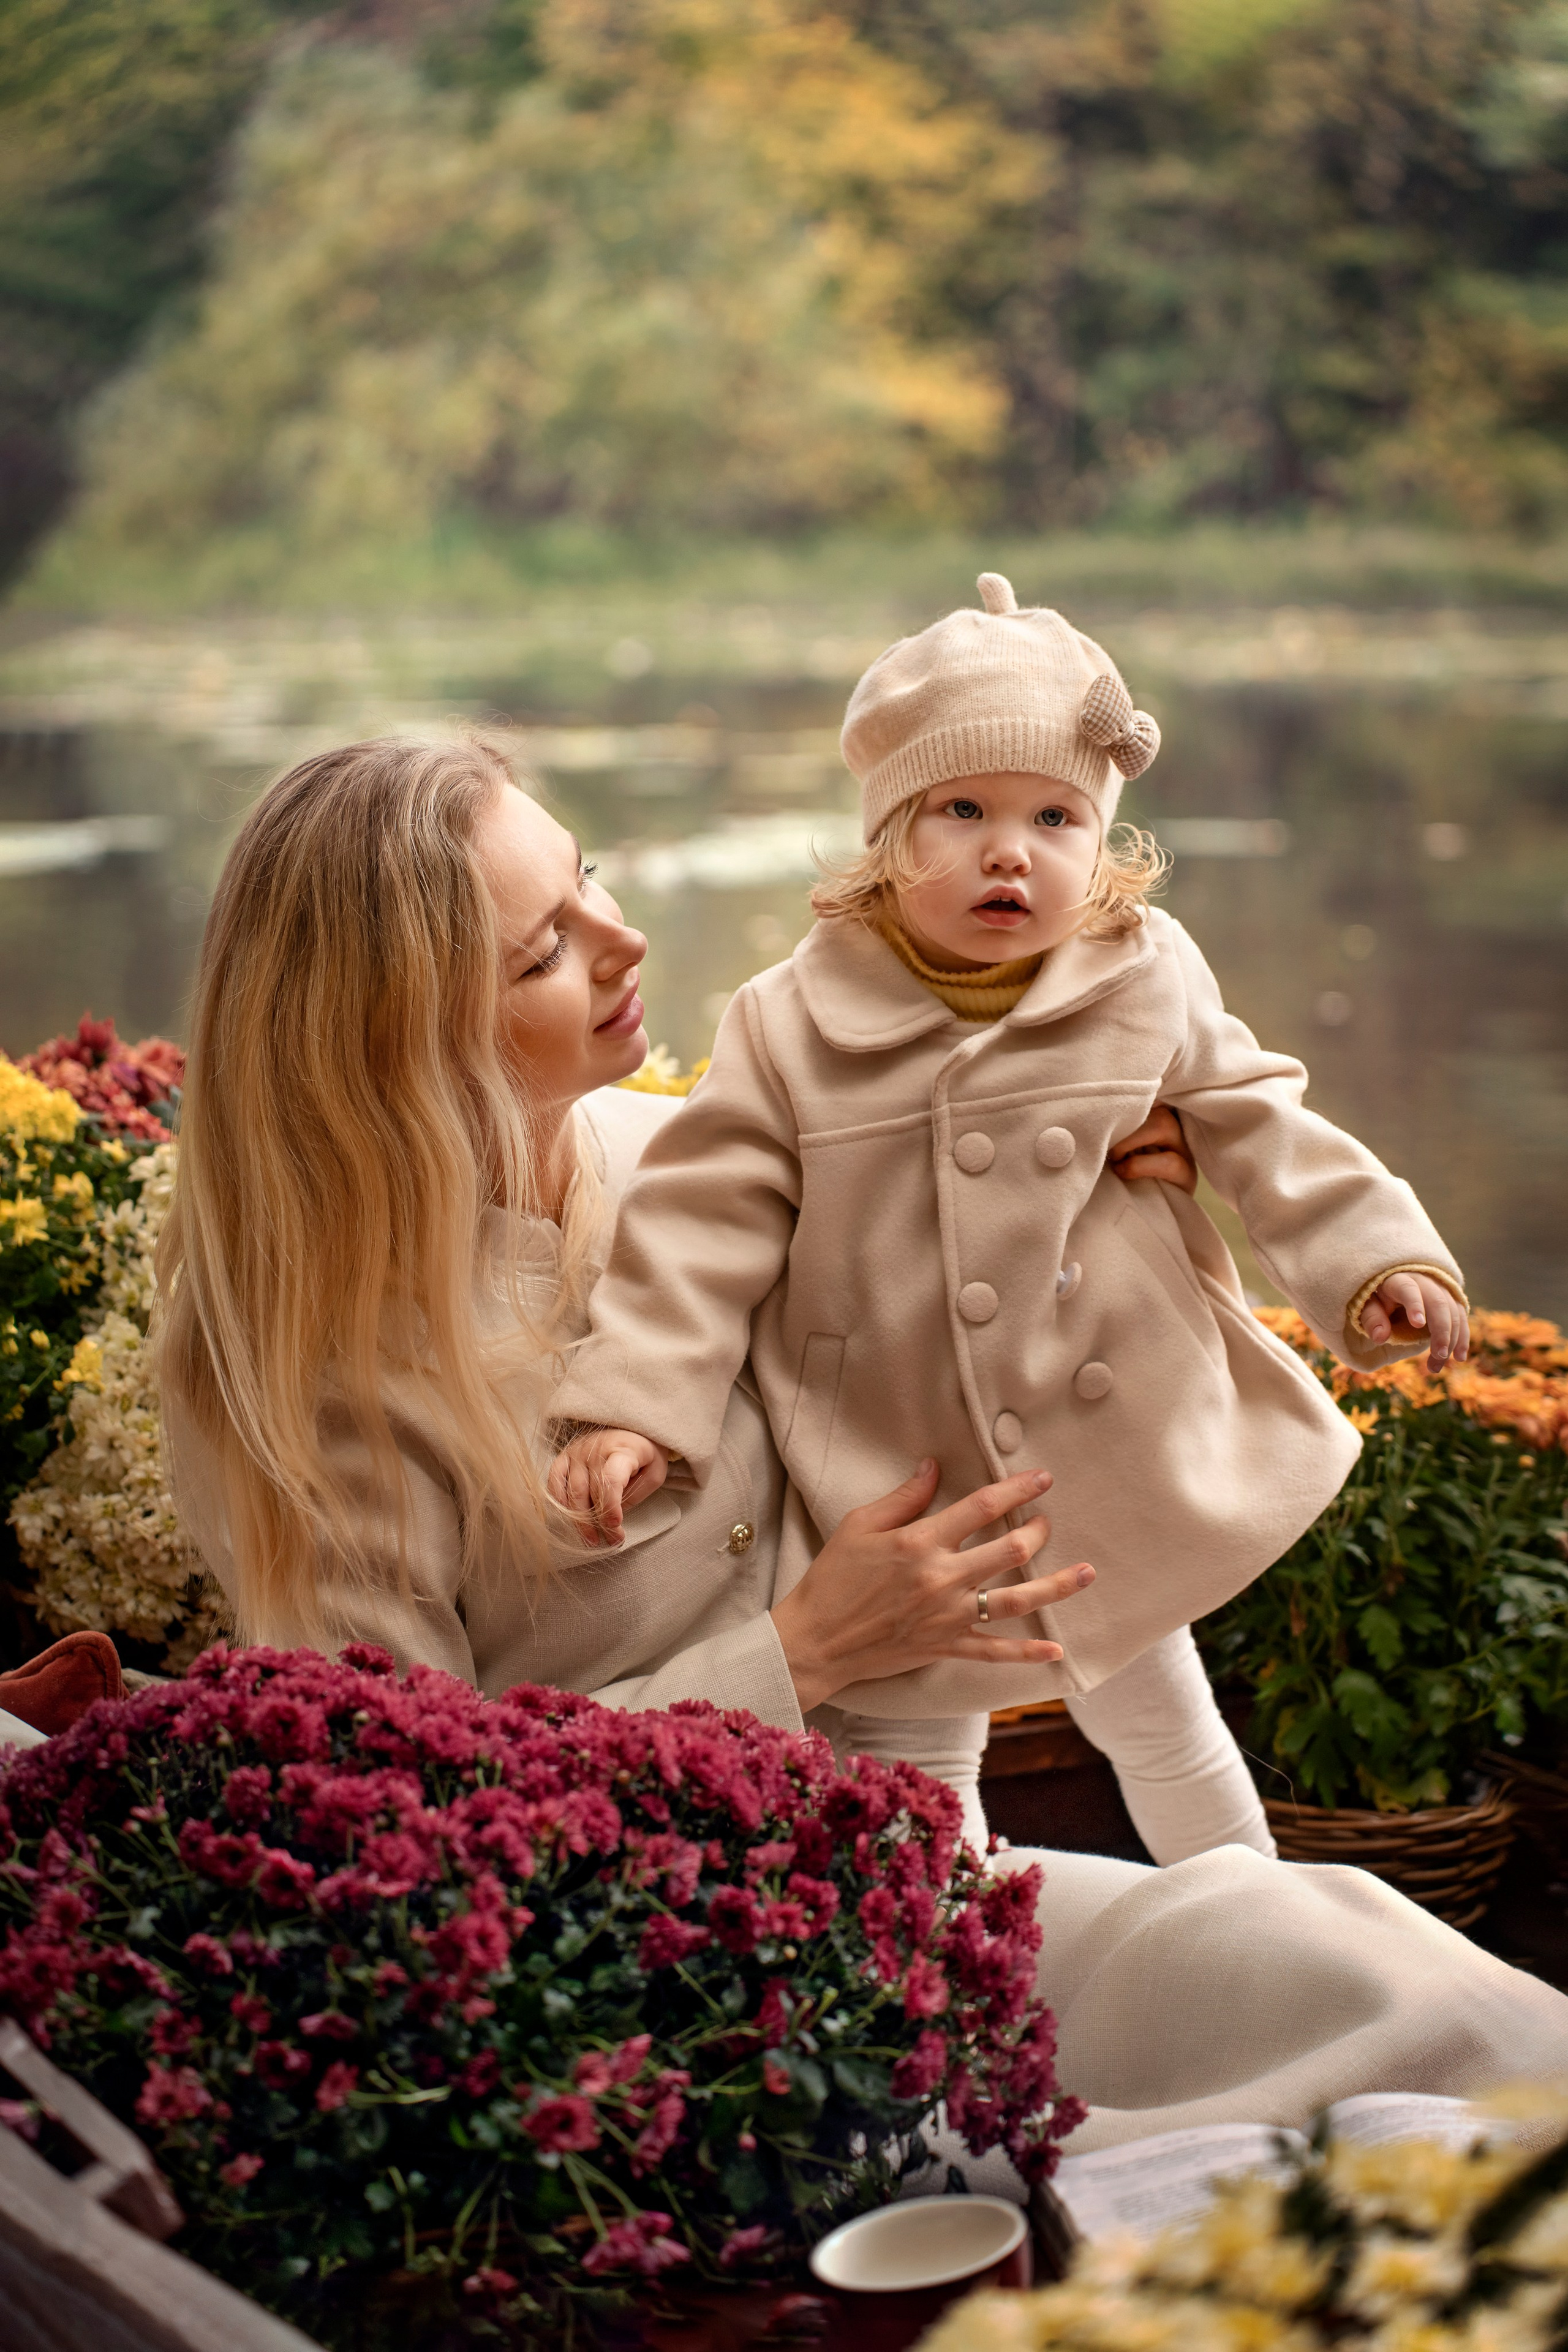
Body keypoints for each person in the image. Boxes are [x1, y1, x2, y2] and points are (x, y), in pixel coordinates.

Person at [160, 734, 1568, 2157]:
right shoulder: (314, 1386)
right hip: (686, 2009)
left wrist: (1120, 1153)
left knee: (1354, 1952)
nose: (621, 936)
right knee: (1349, 2018)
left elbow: (959, 1225)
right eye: (541, 954)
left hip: (921, 1879)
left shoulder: (675, 1157)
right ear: (395, 1039)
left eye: (585, 875)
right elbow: (416, 1837)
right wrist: (802, 1653)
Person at [549, 571, 1468, 1860]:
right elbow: (703, 1226)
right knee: (916, 1757)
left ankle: (1256, 1933)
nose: (1008, 849)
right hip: (898, 1453)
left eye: (1053, 816)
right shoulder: (790, 1018)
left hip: (1105, 1435)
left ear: (1099, 842)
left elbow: (1257, 1119)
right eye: (960, 810)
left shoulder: (1143, 976)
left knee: (1162, 1716)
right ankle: (947, 1988)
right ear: (884, 834)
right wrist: (635, 1403)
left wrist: (1371, 1255)